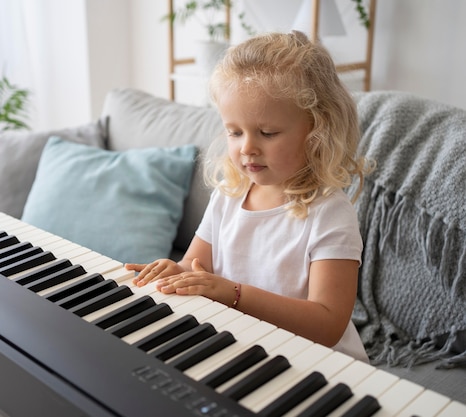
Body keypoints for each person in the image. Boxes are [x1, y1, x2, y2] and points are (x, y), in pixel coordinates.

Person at [125, 31, 373, 362]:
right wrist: (177, 272)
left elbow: (327, 325)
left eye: (267, 133)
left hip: (321, 367)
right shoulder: (229, 196)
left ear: (317, 131)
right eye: (234, 132)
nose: (247, 148)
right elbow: (196, 264)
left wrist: (234, 294)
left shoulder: (330, 213)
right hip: (248, 352)